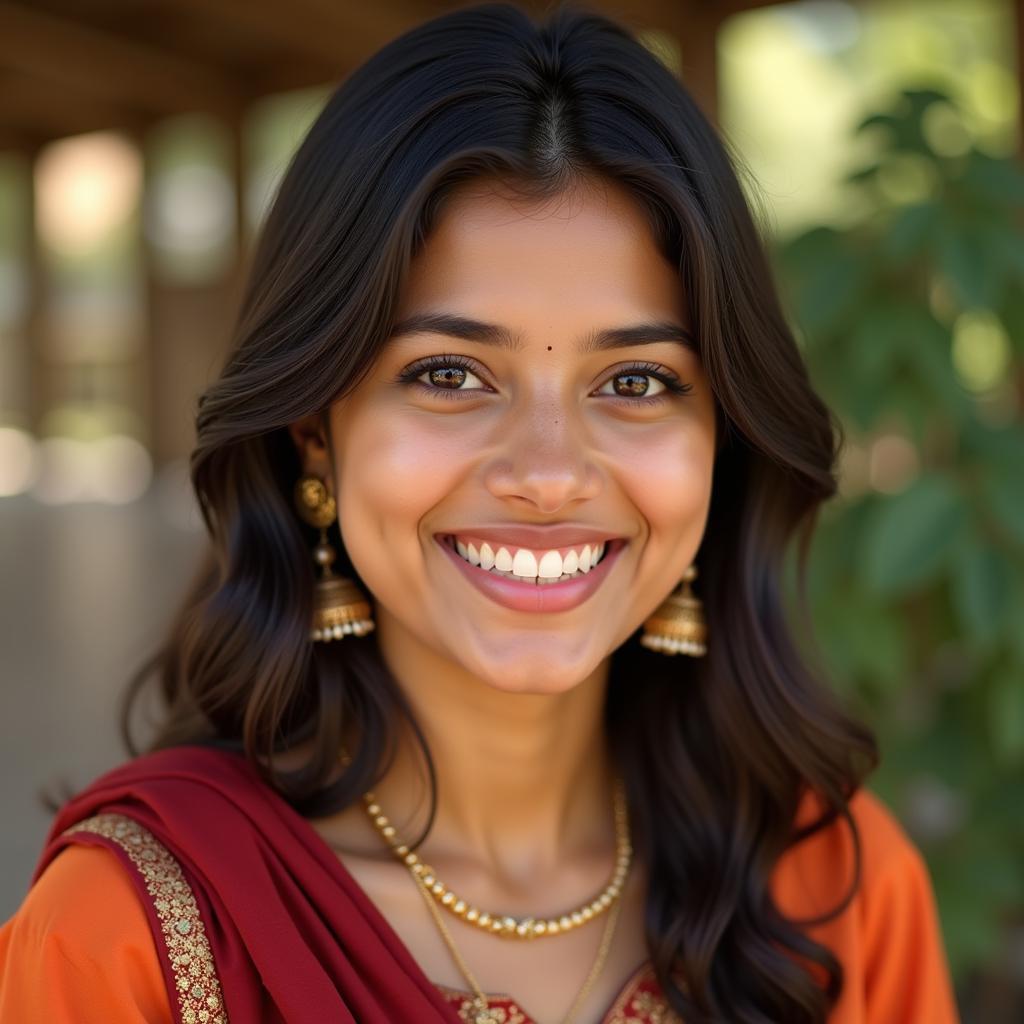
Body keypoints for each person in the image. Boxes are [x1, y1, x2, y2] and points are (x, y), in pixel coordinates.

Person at [0, 3, 960, 1022]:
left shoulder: (836, 895)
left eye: (635, 383)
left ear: (721, 436)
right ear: (313, 430)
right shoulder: (129, 937)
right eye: (449, 373)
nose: (548, 475)